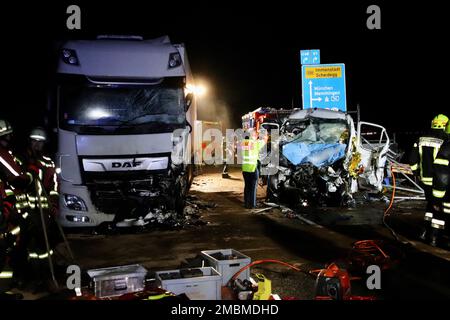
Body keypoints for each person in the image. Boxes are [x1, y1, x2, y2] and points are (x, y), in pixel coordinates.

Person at [22, 127, 59, 290]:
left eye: (40, 142)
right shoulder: (23, 160)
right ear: (29, 142)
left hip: (44, 211)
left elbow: (54, 186)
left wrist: (54, 205)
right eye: (34, 141)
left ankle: (47, 276)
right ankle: (32, 276)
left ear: (44, 144)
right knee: (30, 246)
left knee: (44, 246)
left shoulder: (48, 162)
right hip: (28, 210)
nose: (36, 144)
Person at [0, 119, 35, 289]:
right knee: (10, 240)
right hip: (3, 212)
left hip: (7, 208)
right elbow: (15, 176)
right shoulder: (1, 153)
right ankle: (5, 287)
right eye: (8, 135)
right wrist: (30, 176)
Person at [409, 114, 448, 241]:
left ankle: (424, 231)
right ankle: (434, 237)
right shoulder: (445, 139)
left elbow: (413, 160)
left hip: (424, 179)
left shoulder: (420, 138)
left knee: (430, 204)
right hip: (439, 180)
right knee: (440, 207)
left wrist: (416, 174)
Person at [431, 121, 450, 246]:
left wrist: (437, 195)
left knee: (440, 213)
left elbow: (440, 172)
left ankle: (434, 238)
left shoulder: (447, 148)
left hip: (446, 191)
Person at [241, 129, 266, 209]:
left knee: (247, 186)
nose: (257, 135)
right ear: (253, 135)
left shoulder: (243, 143)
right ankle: (252, 205)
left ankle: (246, 203)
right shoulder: (256, 143)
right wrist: (263, 131)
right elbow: (265, 139)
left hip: (245, 169)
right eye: (256, 134)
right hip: (252, 168)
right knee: (253, 187)